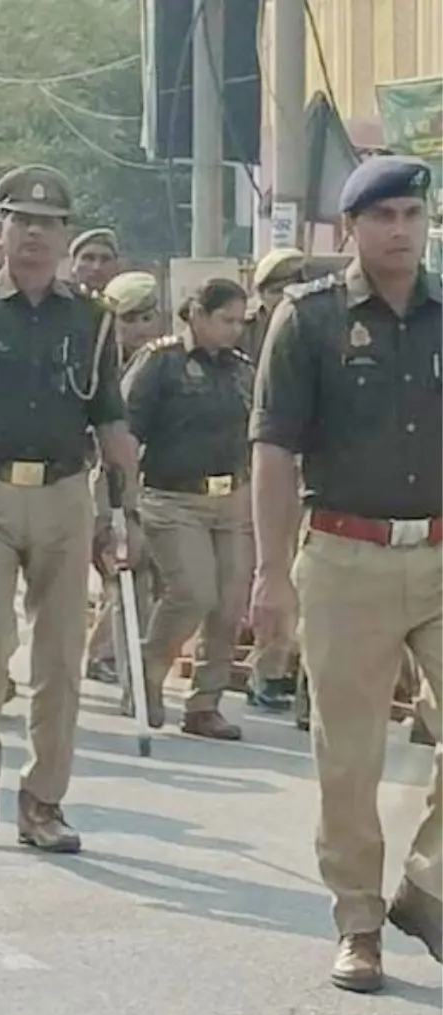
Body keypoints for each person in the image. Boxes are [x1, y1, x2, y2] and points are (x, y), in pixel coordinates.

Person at [248, 154, 441, 993]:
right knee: (349, 755)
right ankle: (357, 921)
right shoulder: (310, 320)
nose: (400, 230)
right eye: (383, 217)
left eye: (412, 214)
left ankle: (425, 884)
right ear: (349, 229)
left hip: (439, 549)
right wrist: (269, 572)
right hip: (341, 552)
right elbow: (273, 450)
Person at [0, 165, 138, 854]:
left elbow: (109, 422)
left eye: (47, 223)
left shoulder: (92, 319)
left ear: (64, 235)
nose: (33, 233)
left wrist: (122, 511)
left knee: (60, 652)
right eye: (20, 220)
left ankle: (44, 797)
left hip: (65, 492)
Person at [121, 279, 256, 740]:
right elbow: (127, 430)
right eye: (226, 320)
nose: (235, 330)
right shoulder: (161, 362)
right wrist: (120, 501)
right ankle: (147, 675)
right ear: (197, 313)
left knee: (231, 601)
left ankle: (205, 703)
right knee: (194, 592)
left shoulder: (240, 369)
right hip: (171, 497)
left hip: (231, 498)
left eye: (240, 321)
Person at [85, 271, 166, 686]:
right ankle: (110, 655)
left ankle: (106, 651)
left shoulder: (164, 359)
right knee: (122, 572)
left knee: (136, 576)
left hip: (150, 480)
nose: (138, 327)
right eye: (128, 318)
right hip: (101, 478)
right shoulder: (96, 361)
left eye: (146, 316)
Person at [240, 245, 308, 710]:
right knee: (264, 570)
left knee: (303, 571)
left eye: (294, 281)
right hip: (250, 470)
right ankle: (265, 670)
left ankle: (290, 671)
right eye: (276, 286)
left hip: (306, 465)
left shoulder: (315, 326)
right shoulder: (240, 334)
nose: (285, 292)